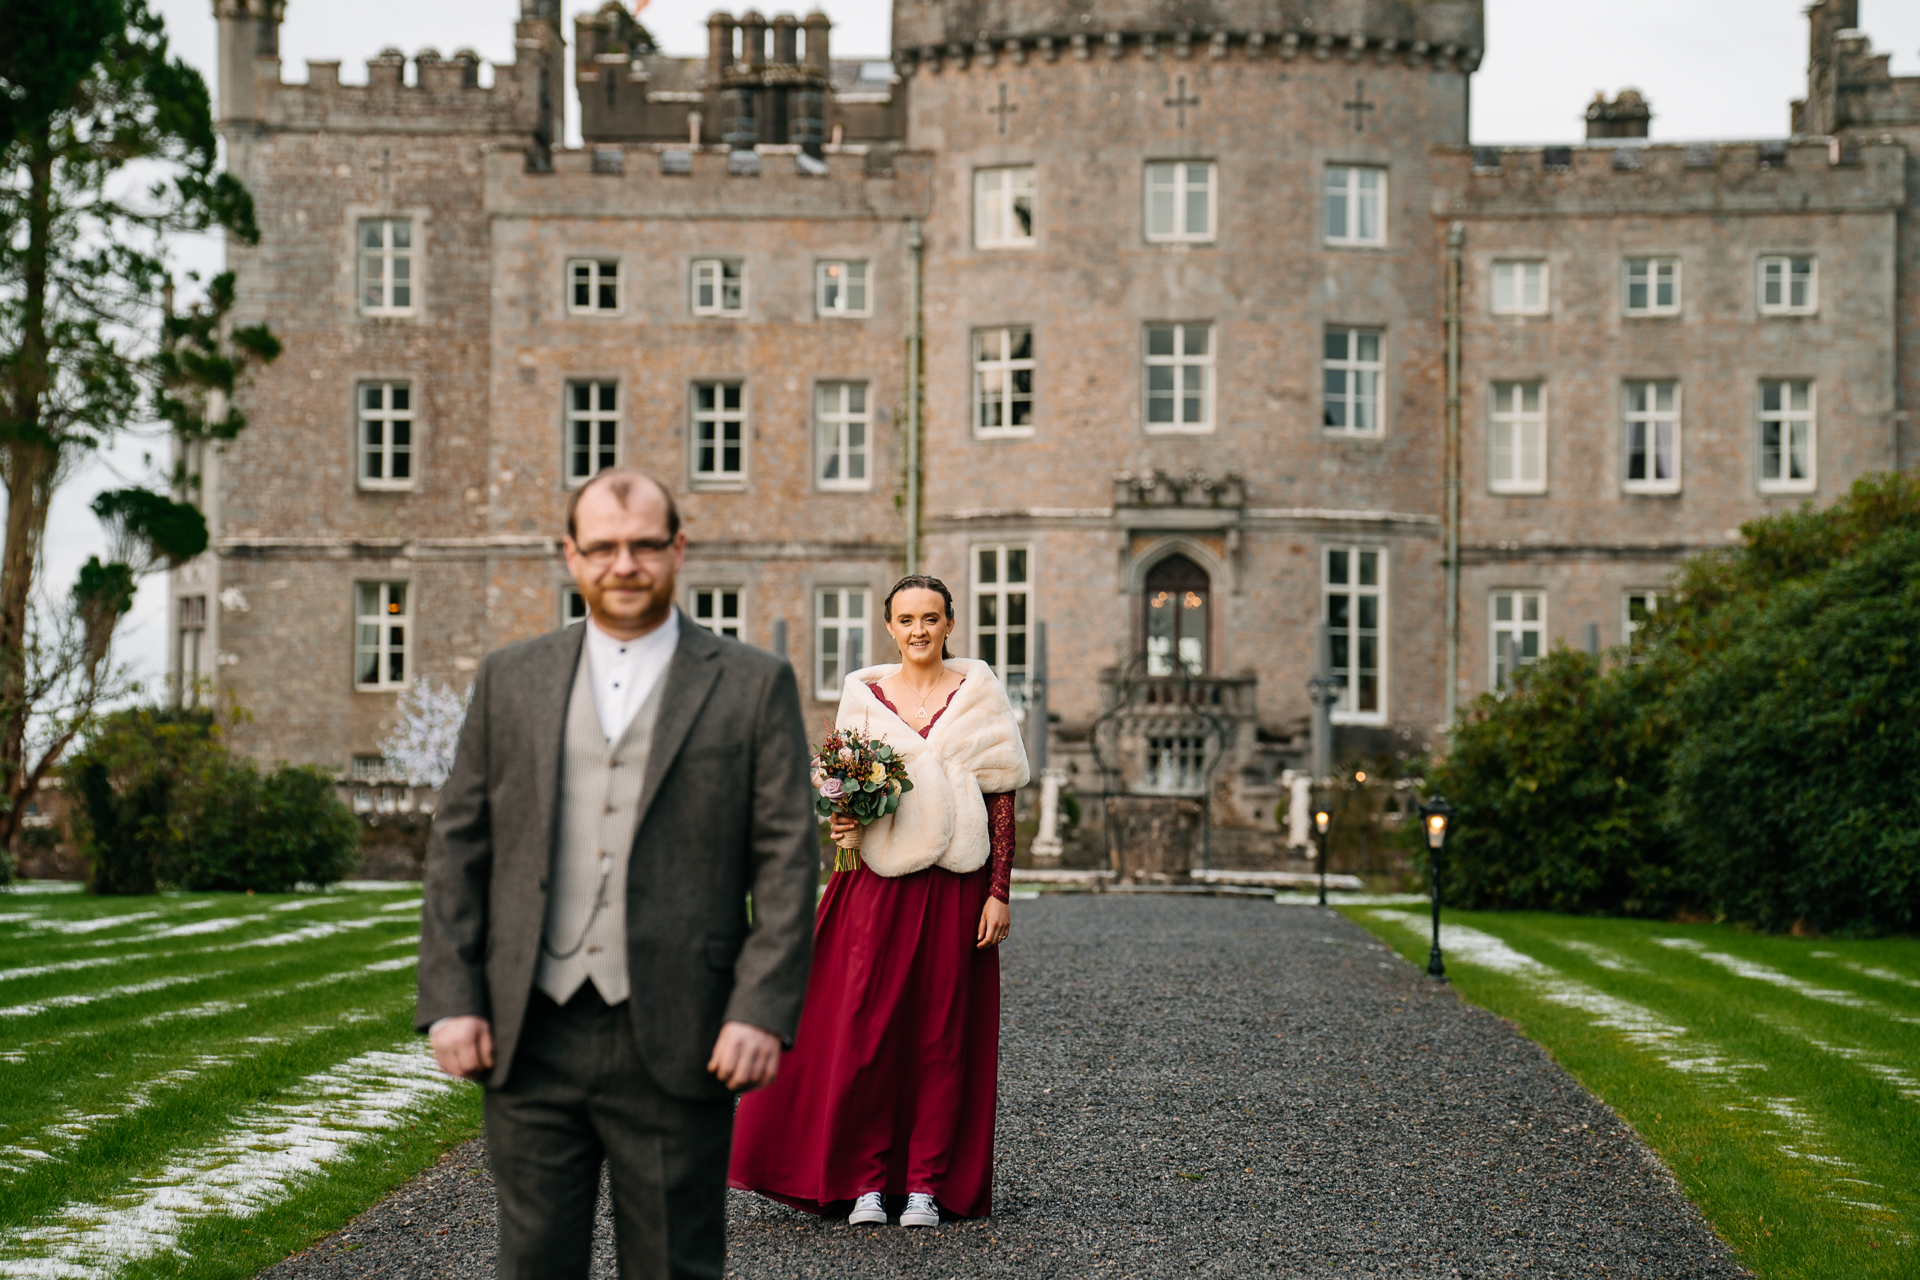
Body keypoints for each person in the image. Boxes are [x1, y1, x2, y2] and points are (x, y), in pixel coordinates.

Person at [416, 467, 818, 1280]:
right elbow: (460, 844)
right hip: (529, 1030)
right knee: (532, 1264)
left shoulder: (751, 683)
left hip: (687, 1028)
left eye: (642, 546)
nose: (622, 564)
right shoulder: (511, 677)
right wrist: (452, 999)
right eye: (602, 547)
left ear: (678, 549)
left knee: (675, 1265)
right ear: (571, 555)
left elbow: (785, 857)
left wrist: (761, 1010)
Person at [728, 574, 1030, 1227]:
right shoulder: (863, 699)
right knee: (865, 1031)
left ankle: (925, 1184)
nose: (918, 630)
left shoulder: (979, 695)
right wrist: (842, 821)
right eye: (906, 619)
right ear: (889, 628)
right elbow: (844, 793)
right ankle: (865, 1181)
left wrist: (999, 892)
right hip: (874, 885)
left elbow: (1003, 799)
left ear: (950, 622)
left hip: (956, 885)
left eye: (930, 618)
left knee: (940, 1036)